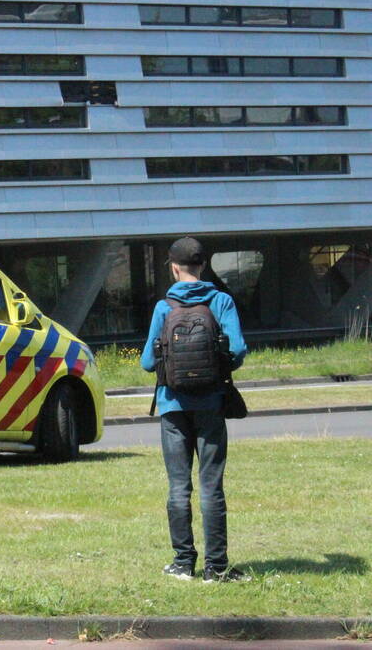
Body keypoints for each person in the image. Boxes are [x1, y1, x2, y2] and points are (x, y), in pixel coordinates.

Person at [140, 237, 249, 583]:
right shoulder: (221, 301)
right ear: (203, 267)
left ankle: (183, 563)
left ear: (173, 267)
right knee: (211, 485)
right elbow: (239, 351)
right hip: (211, 403)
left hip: (172, 406)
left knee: (178, 486)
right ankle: (217, 568)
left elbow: (146, 363)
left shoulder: (163, 308)